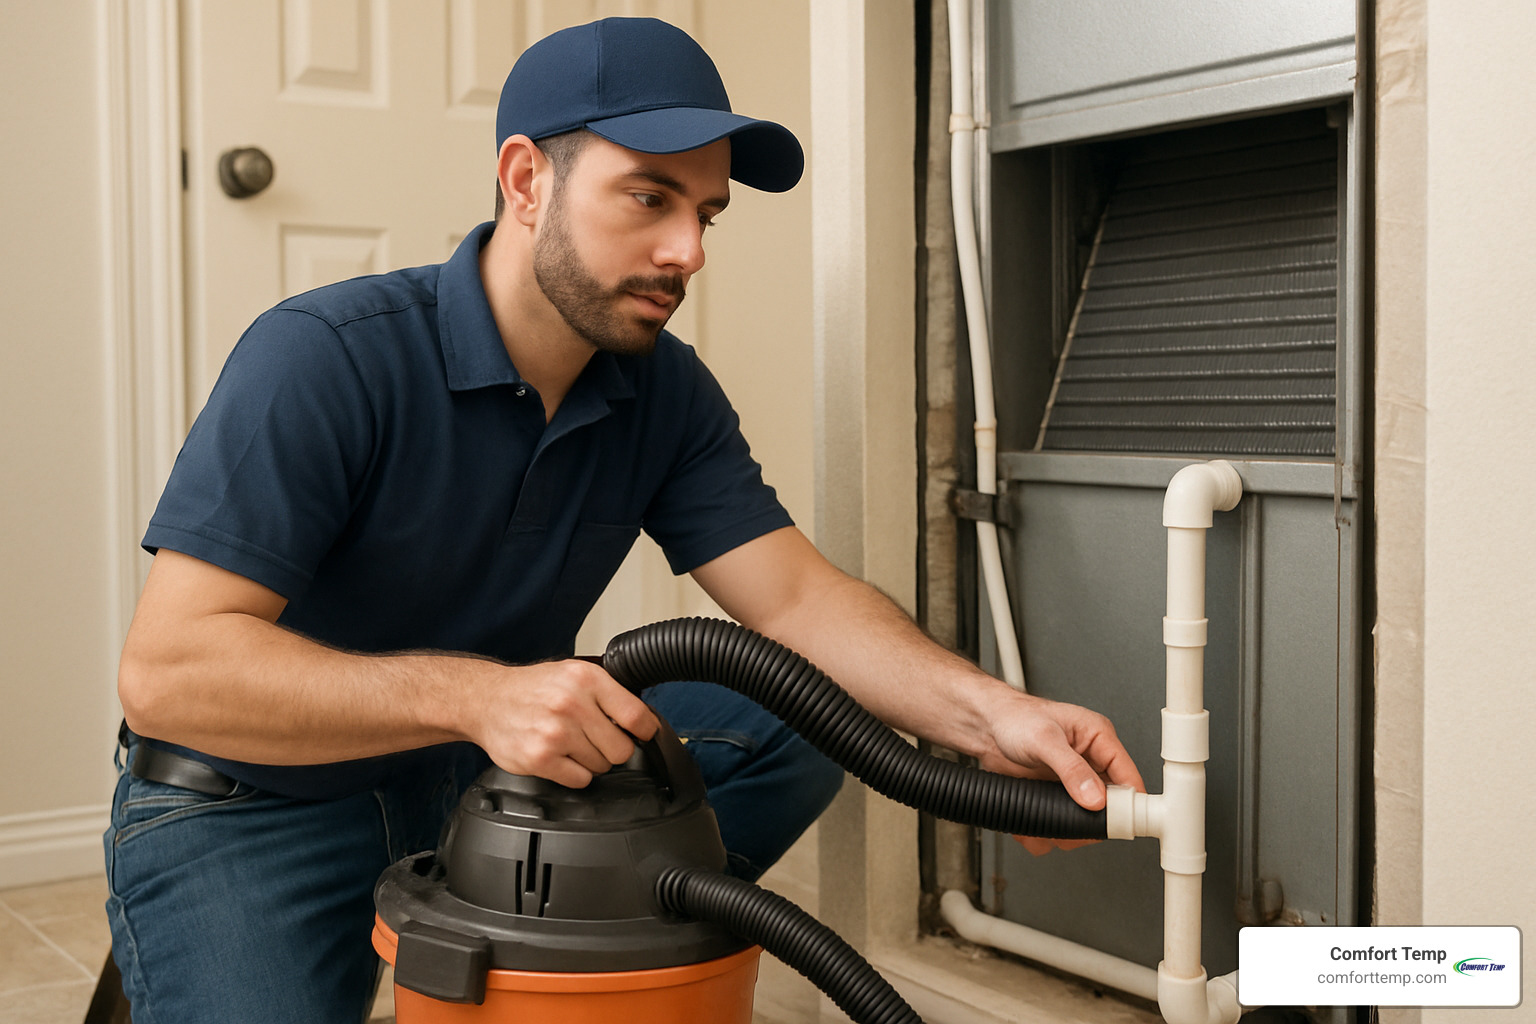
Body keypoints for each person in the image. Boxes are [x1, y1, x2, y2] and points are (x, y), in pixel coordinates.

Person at [105, 16, 1143, 1023]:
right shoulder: (327, 357)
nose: (686, 248)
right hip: (254, 801)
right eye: (648, 197)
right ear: (525, 180)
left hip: (498, 782)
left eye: (707, 212)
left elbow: (793, 599)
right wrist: (476, 695)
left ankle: (585, 959)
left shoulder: (661, 391)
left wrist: (987, 714)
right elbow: (168, 672)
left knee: (799, 707)